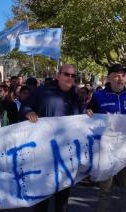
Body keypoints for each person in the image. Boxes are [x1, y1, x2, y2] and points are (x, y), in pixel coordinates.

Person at [20, 64, 82, 212]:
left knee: (62, 197)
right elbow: (25, 107)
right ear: (58, 75)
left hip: (66, 155)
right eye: (66, 74)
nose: (70, 78)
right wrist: (28, 112)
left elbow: (82, 118)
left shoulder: (75, 96)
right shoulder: (42, 92)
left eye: (73, 76)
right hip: (44, 153)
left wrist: (89, 113)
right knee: (43, 196)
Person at [86, 64, 126, 212]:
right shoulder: (98, 96)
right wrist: (88, 112)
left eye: (123, 75)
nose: (120, 78)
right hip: (106, 150)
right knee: (105, 190)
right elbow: (88, 117)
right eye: (116, 75)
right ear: (109, 78)